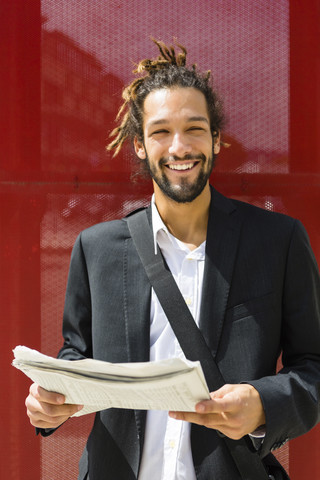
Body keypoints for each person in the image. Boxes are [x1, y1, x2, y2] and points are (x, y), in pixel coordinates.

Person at [25, 40, 320, 480]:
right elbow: (76, 354)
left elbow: (312, 367)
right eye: (160, 131)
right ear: (140, 145)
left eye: (195, 129)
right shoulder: (96, 247)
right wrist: (51, 400)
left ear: (217, 139)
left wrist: (263, 404)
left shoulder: (278, 241)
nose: (179, 147)